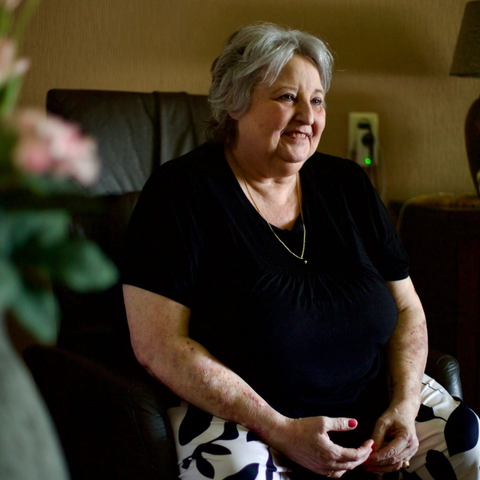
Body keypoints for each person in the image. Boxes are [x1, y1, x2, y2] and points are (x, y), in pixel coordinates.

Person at [122, 22, 480, 479]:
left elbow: (408, 307)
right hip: (245, 416)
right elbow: (158, 345)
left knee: (468, 444)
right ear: (235, 102)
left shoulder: (348, 184)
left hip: (375, 403)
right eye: (287, 97)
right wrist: (280, 429)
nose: (308, 116)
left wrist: (405, 405)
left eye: (317, 100)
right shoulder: (179, 192)